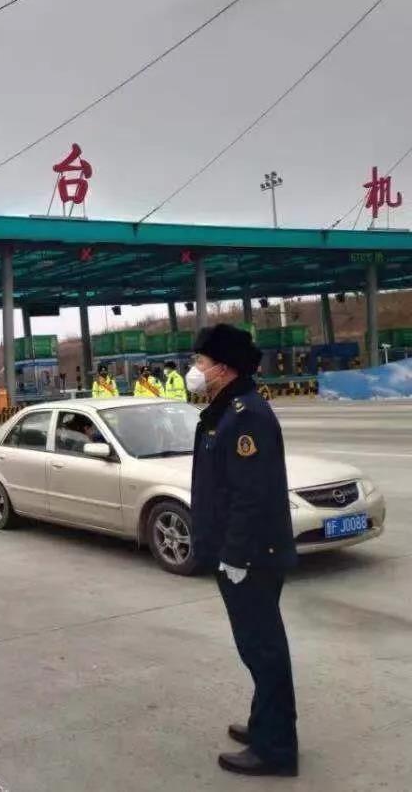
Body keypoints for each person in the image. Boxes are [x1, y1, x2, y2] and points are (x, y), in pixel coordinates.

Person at [188, 324, 298, 777]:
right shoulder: (226, 410)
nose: (195, 369)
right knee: (256, 648)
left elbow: (250, 496)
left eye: (201, 361)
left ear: (224, 368)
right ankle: (264, 725)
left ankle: (276, 750)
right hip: (241, 553)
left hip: (252, 556)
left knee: (264, 649)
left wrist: (235, 555)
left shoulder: (246, 415)